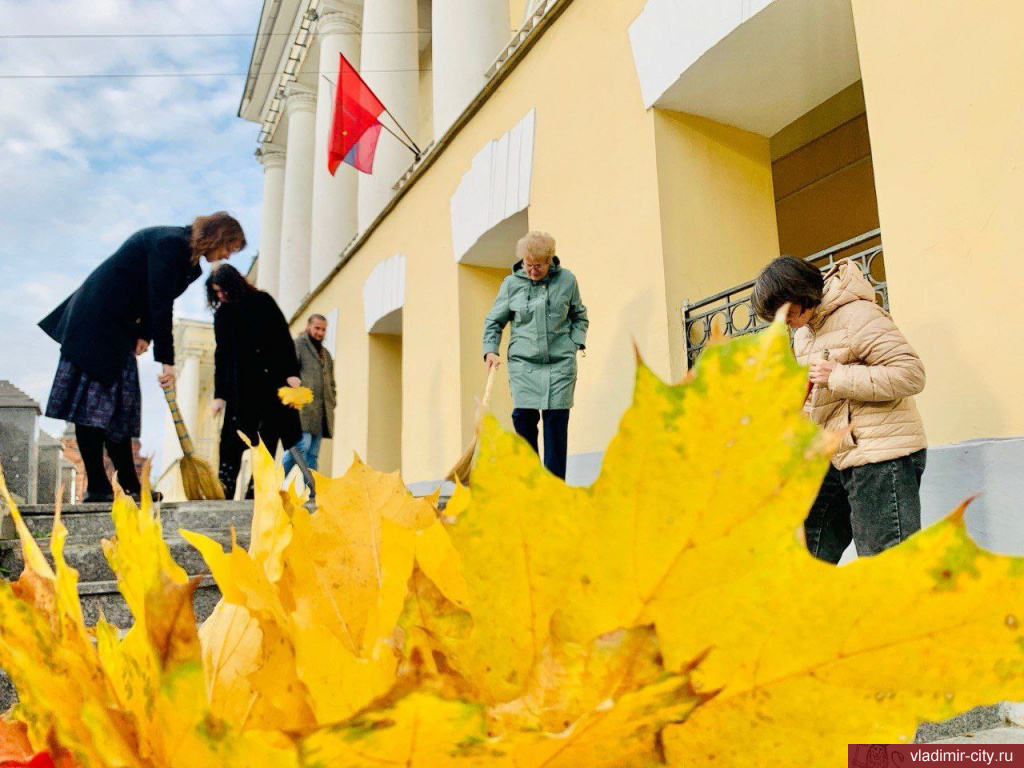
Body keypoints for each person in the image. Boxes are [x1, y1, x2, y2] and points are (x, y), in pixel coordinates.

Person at [39, 213, 245, 502]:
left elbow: (153, 299)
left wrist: (145, 334)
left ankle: (130, 485)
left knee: (120, 409)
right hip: (96, 324)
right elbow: (160, 303)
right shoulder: (169, 244)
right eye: (228, 248)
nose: (227, 256)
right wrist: (167, 362)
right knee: (93, 407)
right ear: (216, 237)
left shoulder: (189, 263)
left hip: (120, 328)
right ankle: (97, 486)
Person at [751, 256, 927, 563]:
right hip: (835, 456)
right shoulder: (805, 334)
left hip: (880, 455)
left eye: (785, 313)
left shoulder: (858, 316)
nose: (784, 323)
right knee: (804, 553)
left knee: (884, 566)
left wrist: (839, 375)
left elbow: (911, 374)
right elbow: (819, 396)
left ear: (800, 295)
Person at [482, 231, 588, 480]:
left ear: (550, 260)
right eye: (528, 265)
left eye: (537, 266)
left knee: (556, 424)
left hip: (559, 364)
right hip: (524, 365)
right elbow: (494, 321)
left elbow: (579, 316)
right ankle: (531, 482)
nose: (531, 271)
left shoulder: (567, 280)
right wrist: (490, 350)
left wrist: (574, 343)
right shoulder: (511, 284)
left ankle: (554, 488)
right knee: (523, 420)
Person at [207, 264, 303, 499]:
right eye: (216, 292)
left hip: (270, 382)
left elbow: (282, 337)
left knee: (267, 436)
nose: (220, 296)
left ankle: (257, 491)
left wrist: (291, 373)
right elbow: (221, 356)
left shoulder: (262, 301)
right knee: (231, 441)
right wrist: (219, 395)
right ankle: (224, 490)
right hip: (239, 389)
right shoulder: (222, 315)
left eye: (223, 290)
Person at [282, 314, 336, 480]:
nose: (320, 333)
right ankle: (275, 483)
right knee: (300, 447)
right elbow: (288, 373)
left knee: (312, 455)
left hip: (321, 413)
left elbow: (331, 383)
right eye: (317, 328)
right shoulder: (298, 345)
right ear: (308, 327)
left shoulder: (326, 354)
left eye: (323, 329)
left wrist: (332, 400)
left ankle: (311, 490)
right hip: (301, 410)